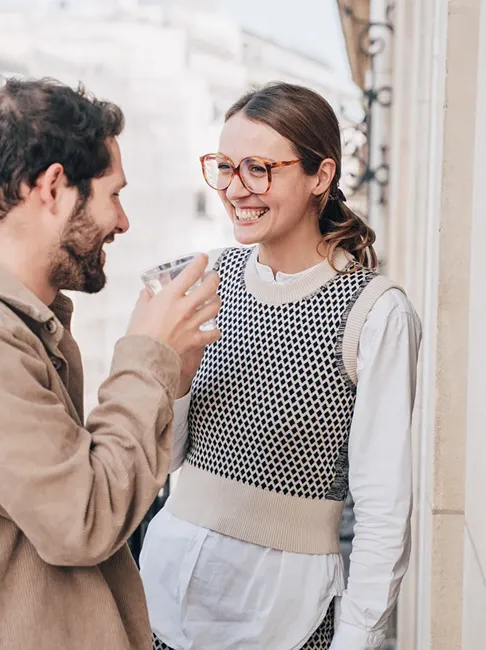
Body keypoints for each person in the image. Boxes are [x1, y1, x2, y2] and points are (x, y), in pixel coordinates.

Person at [0, 78, 220, 650]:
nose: (125, 221)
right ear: (54, 188)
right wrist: (145, 358)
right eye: (114, 194)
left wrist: (165, 379)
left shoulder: (1, 320)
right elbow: (85, 519)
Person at [140, 82, 422, 650]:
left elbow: (384, 510)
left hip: (284, 620)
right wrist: (173, 377)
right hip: (164, 601)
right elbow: (161, 463)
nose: (235, 188)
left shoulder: (375, 312)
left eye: (259, 168)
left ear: (321, 176)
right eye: (224, 166)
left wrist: (358, 637)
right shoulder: (204, 281)